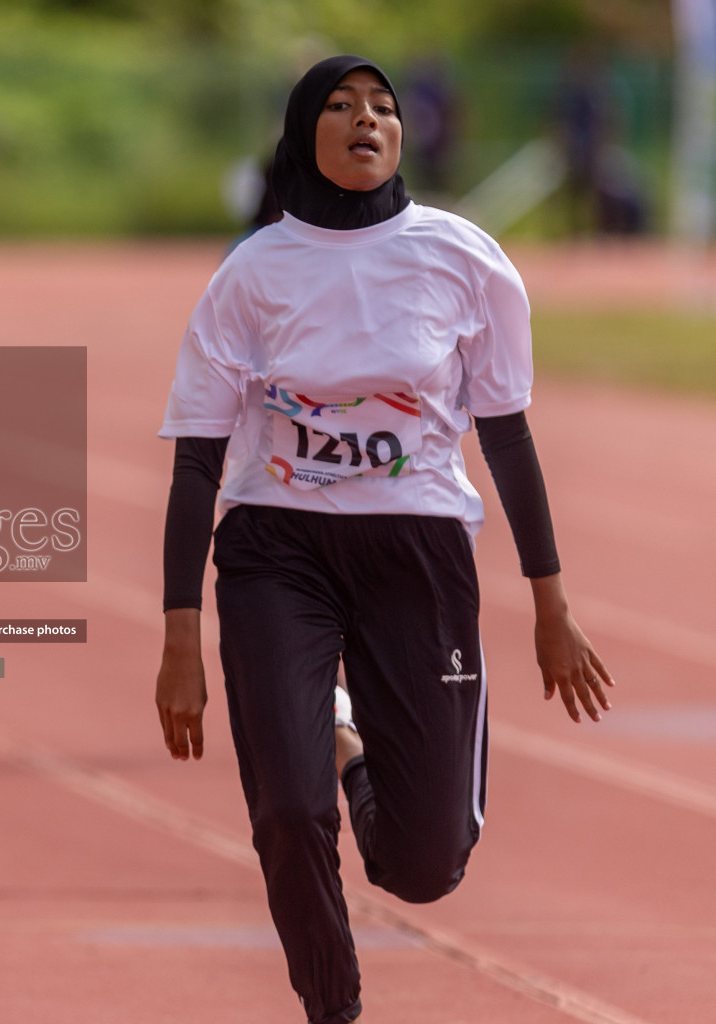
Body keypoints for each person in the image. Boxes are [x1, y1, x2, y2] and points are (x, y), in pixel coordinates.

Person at [154, 56, 613, 1024]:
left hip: (418, 556)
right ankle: (335, 1007)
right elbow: (197, 461)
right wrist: (178, 637)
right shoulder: (252, 273)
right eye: (339, 104)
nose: (367, 119)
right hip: (279, 551)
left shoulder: (465, 258)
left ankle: (349, 746)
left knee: (424, 866)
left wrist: (551, 601)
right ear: (300, 132)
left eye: (385, 106)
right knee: (286, 813)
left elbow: (508, 435)